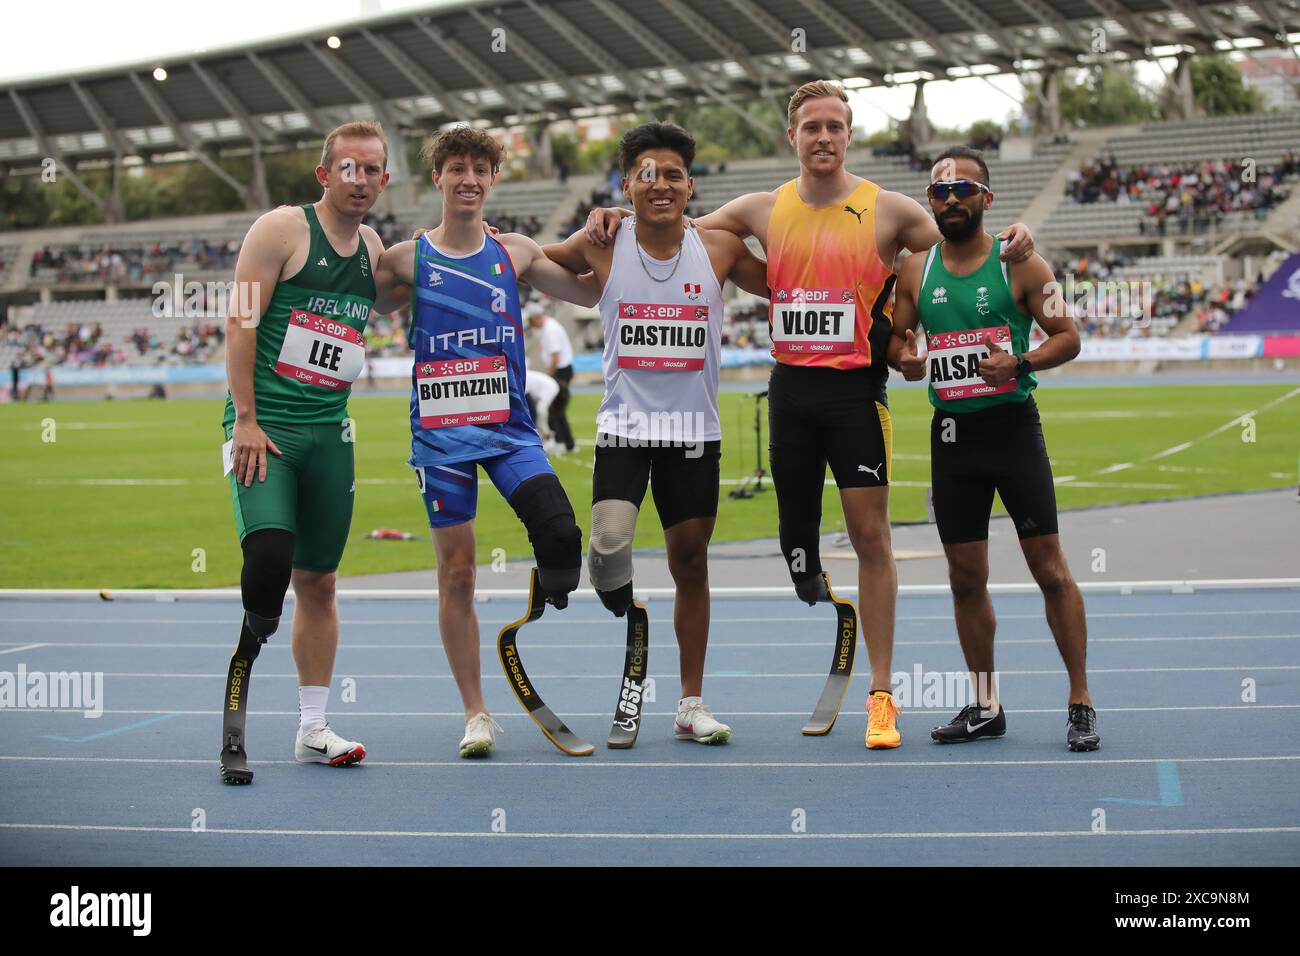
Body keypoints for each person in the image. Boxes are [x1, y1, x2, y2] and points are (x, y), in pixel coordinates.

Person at [587, 80, 1035, 749]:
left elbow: (958, 237)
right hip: (790, 395)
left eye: (835, 126)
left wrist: (1013, 238)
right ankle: (808, 574)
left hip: (856, 396)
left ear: (849, 135)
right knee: (798, 552)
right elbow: (672, 227)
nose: (823, 137)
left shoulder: (889, 211)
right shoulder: (761, 210)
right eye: (811, 126)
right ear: (791, 136)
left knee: (870, 537)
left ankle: (881, 698)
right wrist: (614, 216)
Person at [373, 126, 600, 758]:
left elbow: (587, 290)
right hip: (441, 439)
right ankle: (476, 712)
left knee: (559, 537)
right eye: (456, 168)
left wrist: (616, 238)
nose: (468, 178)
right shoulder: (406, 258)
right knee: (459, 574)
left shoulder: (517, 253)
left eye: (480, 168)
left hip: (507, 432)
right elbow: (360, 300)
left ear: (492, 179)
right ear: (438, 178)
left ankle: (540, 599)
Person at [548, 122, 769, 744]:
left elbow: (785, 282)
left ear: (690, 186)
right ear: (628, 185)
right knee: (612, 542)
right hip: (624, 428)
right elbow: (528, 262)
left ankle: (690, 702)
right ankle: (616, 594)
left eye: (673, 174)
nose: (661, 184)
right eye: (648, 174)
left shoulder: (719, 248)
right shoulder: (602, 244)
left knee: (690, 564)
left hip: (693, 433)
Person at [889, 146, 1099, 752]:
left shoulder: (1023, 265)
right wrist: (904, 358)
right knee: (965, 579)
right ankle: (985, 704)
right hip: (952, 438)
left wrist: (1022, 361)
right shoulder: (914, 271)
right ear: (930, 202)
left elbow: (1069, 337)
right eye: (940, 192)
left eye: (963, 190)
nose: (951, 200)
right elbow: (899, 342)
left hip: (1012, 431)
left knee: (1049, 571)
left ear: (987, 199)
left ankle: (1080, 699)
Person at [218, 120, 390, 783]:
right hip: (267, 430)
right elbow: (240, 318)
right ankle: (235, 715)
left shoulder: (373, 247)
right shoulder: (282, 230)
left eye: (371, 169)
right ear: (325, 175)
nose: (359, 179)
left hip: (331, 433)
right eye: (347, 167)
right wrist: (248, 420)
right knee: (267, 564)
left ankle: (311, 729)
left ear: (383, 179)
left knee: (318, 582)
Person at [526, 302, 576, 452]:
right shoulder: (550, 326)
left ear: (536, 318)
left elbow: (555, 355)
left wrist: (550, 375)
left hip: (560, 371)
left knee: (555, 411)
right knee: (556, 411)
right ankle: (565, 442)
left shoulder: (549, 330)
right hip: (561, 370)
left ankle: (564, 442)